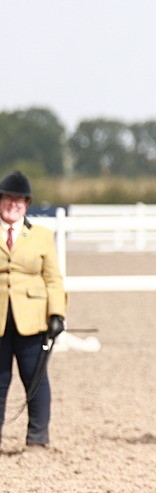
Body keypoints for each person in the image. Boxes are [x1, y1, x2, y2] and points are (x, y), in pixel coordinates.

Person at [0, 171, 67, 451]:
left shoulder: (41, 236)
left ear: (27, 205)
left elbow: (53, 278)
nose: (13, 205)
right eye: (7, 199)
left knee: (35, 379)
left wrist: (57, 315)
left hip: (32, 319)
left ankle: (37, 438)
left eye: (19, 201)